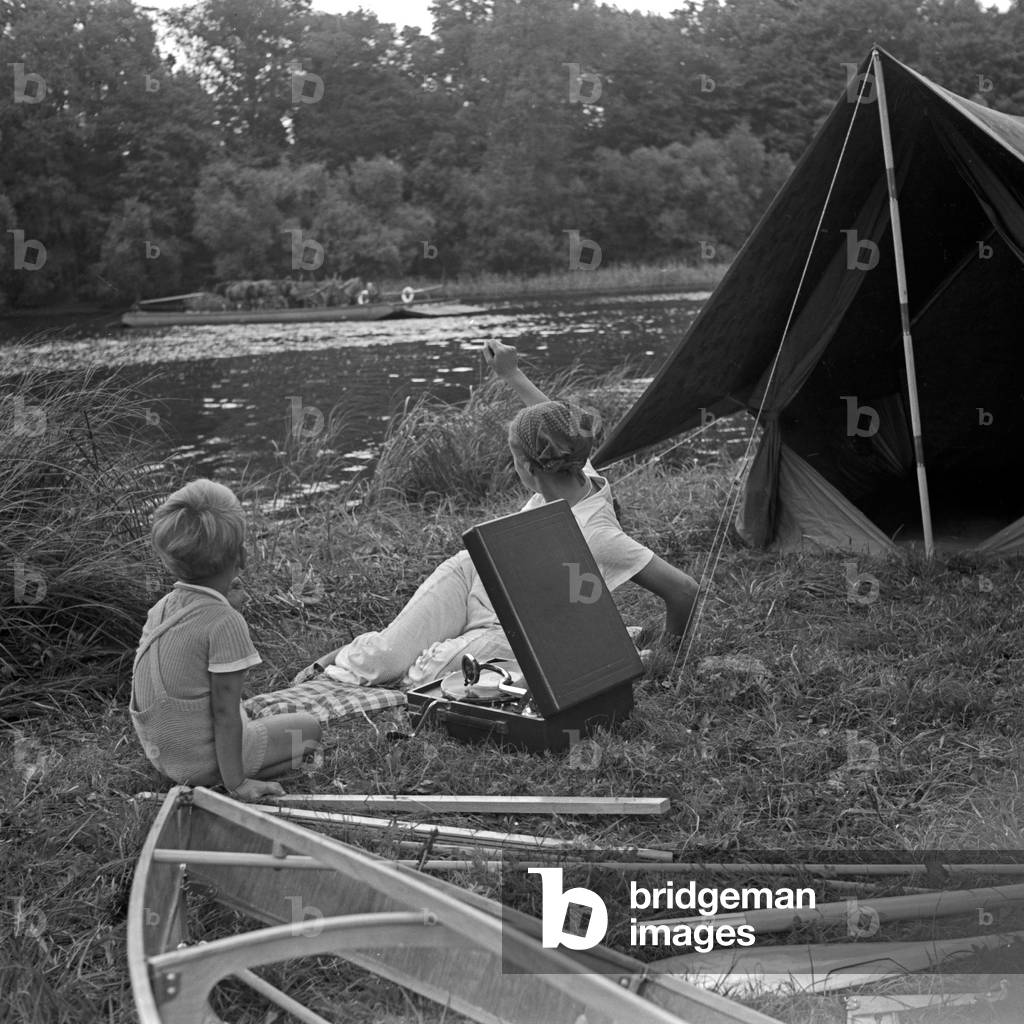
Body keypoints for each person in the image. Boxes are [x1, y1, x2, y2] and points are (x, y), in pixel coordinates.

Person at [294, 340, 698, 690]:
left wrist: (668, 654)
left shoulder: (594, 532)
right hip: (473, 572)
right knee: (386, 659)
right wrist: (512, 372)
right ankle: (339, 657)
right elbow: (554, 421)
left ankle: (608, 643)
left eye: (514, 458)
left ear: (530, 467)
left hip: (511, 624)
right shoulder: (573, 464)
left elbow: (683, 590)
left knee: (423, 674)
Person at [130, 479, 321, 800]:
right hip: (200, 764)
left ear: (171, 560)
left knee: (254, 718)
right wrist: (237, 785)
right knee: (309, 730)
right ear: (242, 556)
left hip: (163, 755)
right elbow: (225, 713)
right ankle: (222, 781)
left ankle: (210, 772)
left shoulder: (161, 609)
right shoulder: (225, 623)